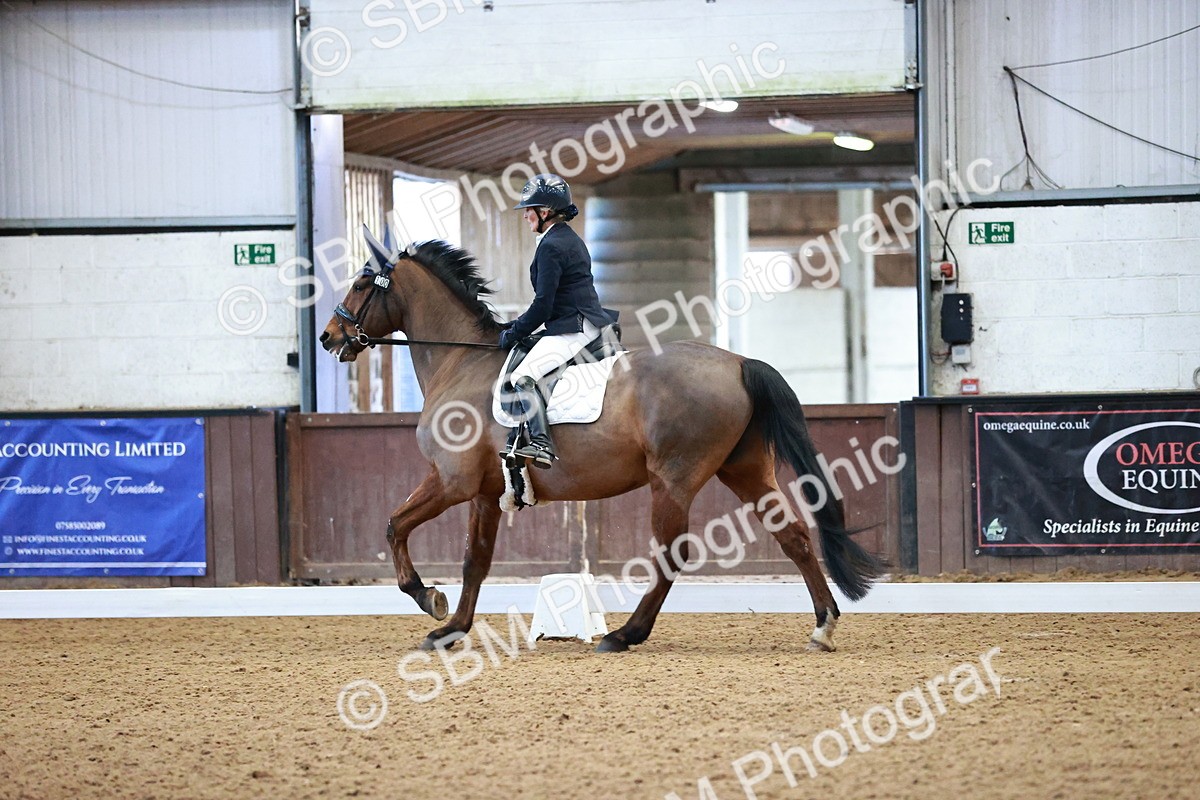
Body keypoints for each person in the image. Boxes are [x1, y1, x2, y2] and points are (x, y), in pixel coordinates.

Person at [497, 174, 617, 469]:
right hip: (580, 320)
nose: (525, 215)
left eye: (530, 209)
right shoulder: (564, 238)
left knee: (522, 378)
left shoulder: (551, 246)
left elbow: (543, 305)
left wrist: (514, 332)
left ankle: (541, 444)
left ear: (545, 212)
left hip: (573, 327)